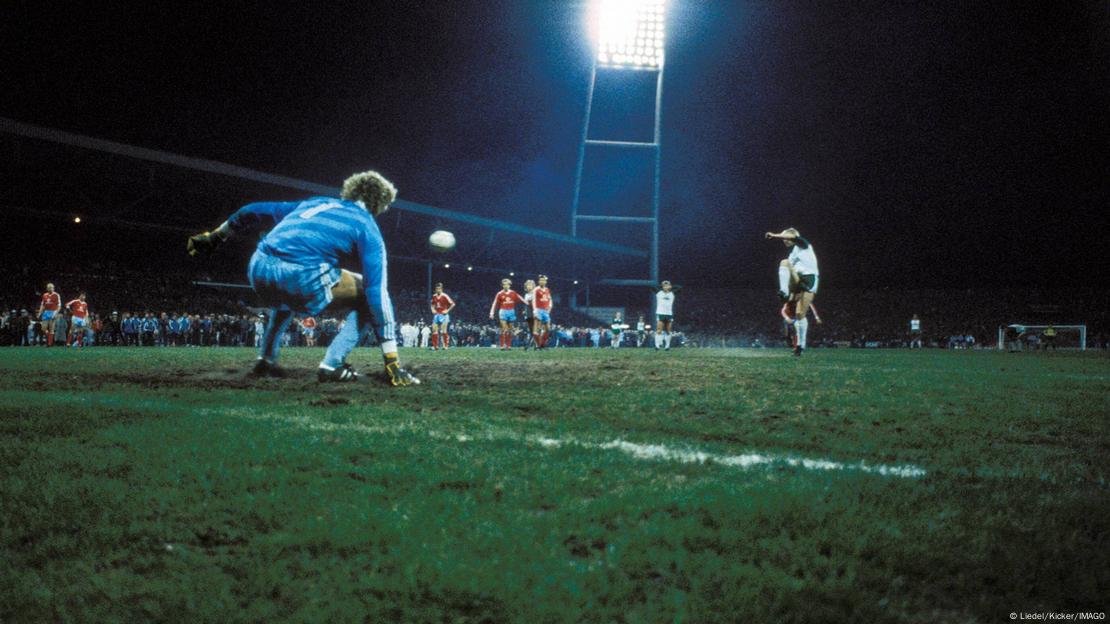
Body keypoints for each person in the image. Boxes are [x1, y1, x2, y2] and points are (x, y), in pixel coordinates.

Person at [187, 170, 418, 385]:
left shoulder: (315, 202)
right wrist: (392, 361)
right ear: (380, 204)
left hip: (258, 267)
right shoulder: (366, 225)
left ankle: (266, 359)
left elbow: (251, 210)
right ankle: (333, 364)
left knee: (287, 295)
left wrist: (215, 237)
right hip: (301, 276)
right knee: (366, 293)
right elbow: (376, 291)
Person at [766, 228, 819, 356]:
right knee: (785, 262)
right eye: (783, 238)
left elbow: (794, 237)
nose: (784, 240)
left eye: (786, 237)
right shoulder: (793, 254)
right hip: (797, 280)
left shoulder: (804, 245)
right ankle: (784, 292)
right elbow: (788, 269)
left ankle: (800, 346)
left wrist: (774, 234)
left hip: (809, 279)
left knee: (800, 314)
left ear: (794, 236)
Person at [489, 278, 526, 351]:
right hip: (503, 311)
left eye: (507, 284)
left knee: (509, 330)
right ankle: (502, 346)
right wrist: (491, 312)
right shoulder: (499, 294)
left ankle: (508, 346)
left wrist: (529, 305)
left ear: (509, 285)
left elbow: (522, 299)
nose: (505, 286)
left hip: (511, 312)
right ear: (502, 285)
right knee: (504, 329)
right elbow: (494, 303)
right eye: (504, 285)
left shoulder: (513, 293)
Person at [429, 282, 455, 351]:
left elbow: (453, 304)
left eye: (439, 289)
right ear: (435, 289)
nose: (438, 290)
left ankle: (445, 346)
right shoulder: (434, 296)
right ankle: (435, 346)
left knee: (444, 330)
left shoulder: (445, 296)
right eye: (437, 289)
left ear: (442, 289)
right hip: (437, 314)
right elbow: (432, 304)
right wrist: (432, 310)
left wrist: (447, 310)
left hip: (444, 315)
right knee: (434, 330)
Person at [532, 275, 553, 349]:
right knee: (537, 329)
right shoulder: (536, 289)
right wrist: (535, 311)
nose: (542, 281)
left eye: (544, 280)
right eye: (541, 280)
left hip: (546, 311)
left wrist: (550, 306)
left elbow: (550, 299)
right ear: (538, 281)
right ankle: (537, 345)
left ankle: (543, 344)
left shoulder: (547, 289)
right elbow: (533, 300)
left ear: (546, 281)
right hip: (538, 310)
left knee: (547, 329)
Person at [37, 283, 62, 347]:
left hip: (53, 312)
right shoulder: (45, 295)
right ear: (47, 288)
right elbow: (42, 305)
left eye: (51, 287)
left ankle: (49, 343)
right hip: (46, 312)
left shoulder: (56, 295)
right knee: (43, 328)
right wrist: (39, 313)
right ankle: (50, 339)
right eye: (49, 287)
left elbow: (59, 306)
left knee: (51, 328)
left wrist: (56, 313)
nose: (50, 288)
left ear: (53, 288)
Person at [654, 280, 676, 350]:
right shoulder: (659, 293)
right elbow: (652, 287)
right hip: (660, 313)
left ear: (670, 286)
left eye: (667, 285)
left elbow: (680, 287)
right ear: (662, 287)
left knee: (668, 330)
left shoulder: (672, 293)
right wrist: (661, 285)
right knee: (659, 330)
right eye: (664, 286)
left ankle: (667, 346)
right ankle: (657, 345)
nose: (666, 287)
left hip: (669, 313)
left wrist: (671, 287)